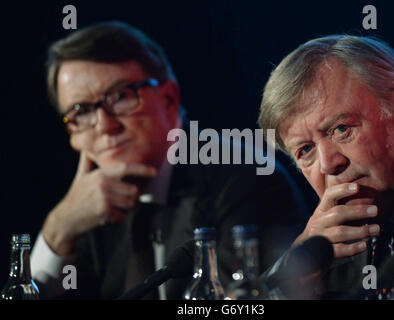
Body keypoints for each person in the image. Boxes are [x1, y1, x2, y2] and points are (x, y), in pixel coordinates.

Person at [30, 21, 308, 299]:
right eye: (81, 111)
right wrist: (59, 228)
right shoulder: (88, 209)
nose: (103, 125)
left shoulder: (247, 180)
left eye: (121, 96)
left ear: (169, 98)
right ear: (71, 135)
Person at [259, 34, 394, 299]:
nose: (328, 164)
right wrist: (297, 268)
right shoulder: (337, 232)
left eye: (341, 129)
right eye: (306, 150)